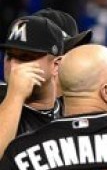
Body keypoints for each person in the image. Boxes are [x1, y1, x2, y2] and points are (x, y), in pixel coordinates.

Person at [0, 16, 65, 158]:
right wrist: (15, 96)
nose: (13, 66)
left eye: (25, 57)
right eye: (9, 56)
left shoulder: (69, 111)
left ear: (56, 65)